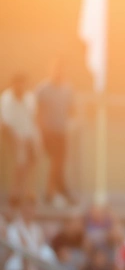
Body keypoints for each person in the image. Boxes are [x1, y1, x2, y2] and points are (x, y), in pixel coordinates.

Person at [35, 61, 76, 206]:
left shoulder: (67, 89)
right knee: (56, 159)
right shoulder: (43, 89)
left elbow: (71, 109)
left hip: (62, 131)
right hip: (48, 131)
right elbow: (37, 111)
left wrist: (70, 123)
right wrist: (41, 130)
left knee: (60, 161)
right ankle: (51, 191)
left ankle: (59, 188)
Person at [0, 74, 40, 199]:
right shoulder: (6, 98)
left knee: (33, 158)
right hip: (11, 135)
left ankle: (28, 190)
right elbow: (6, 124)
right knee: (20, 159)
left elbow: (32, 119)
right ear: (14, 85)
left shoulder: (29, 98)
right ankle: (15, 191)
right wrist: (18, 139)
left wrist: (30, 138)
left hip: (28, 133)